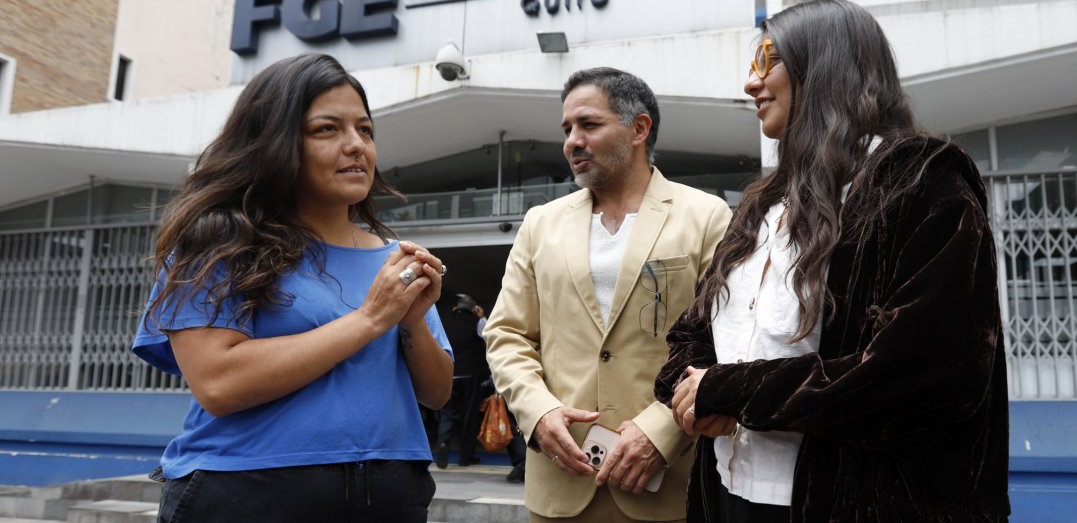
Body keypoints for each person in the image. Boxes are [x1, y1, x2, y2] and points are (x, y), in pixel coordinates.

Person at [656, 0, 1010, 522]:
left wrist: (729, 390)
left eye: (767, 61)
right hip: (727, 496)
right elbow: (690, 337)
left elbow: (925, 375)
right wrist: (691, 391)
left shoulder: (922, 184)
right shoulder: (761, 205)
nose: (751, 83)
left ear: (823, 67)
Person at [132, 53, 454, 523]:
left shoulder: (393, 257)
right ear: (275, 141)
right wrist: (369, 319)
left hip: (389, 493)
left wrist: (411, 325)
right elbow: (218, 382)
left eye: (365, 130)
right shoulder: (221, 240)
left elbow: (437, 391)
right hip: (248, 493)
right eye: (328, 130)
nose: (356, 146)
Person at [484, 67, 732, 522]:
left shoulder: (706, 216)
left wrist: (661, 433)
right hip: (561, 481)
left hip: (668, 483)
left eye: (588, 125)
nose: (572, 141)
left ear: (639, 128)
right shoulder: (541, 223)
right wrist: (538, 415)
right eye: (566, 129)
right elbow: (507, 335)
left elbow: (727, 340)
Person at [436, 293, 528, 482]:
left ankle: (443, 442)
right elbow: (490, 338)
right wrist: (482, 317)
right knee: (469, 416)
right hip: (471, 374)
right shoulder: (476, 322)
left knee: (448, 412)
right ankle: (465, 456)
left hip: (450, 373)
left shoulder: (445, 322)